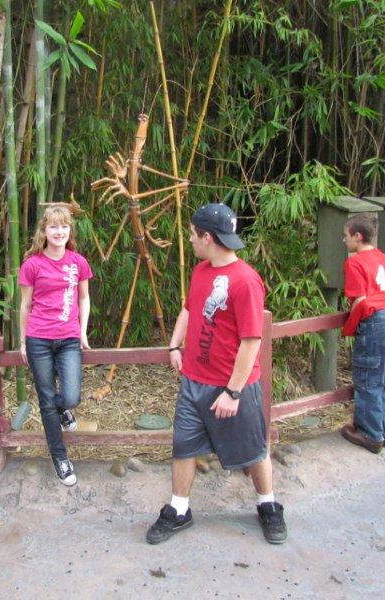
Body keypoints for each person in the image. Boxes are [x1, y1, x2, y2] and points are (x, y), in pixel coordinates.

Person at [146, 203, 287, 545]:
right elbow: (189, 309)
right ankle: (179, 509)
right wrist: (175, 344)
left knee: (254, 449)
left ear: (207, 237)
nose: (190, 240)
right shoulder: (201, 271)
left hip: (232, 386)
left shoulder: (246, 281)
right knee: (183, 446)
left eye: (193, 235)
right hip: (194, 381)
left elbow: (251, 341)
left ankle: (268, 505)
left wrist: (233, 392)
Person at [19, 205, 92, 486]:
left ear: (70, 230)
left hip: (69, 338)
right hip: (38, 338)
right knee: (46, 401)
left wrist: (82, 331)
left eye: (64, 226)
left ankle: (64, 408)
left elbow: (84, 298)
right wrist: (23, 340)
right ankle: (60, 458)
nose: (59, 231)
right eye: (53, 226)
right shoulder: (32, 265)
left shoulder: (78, 262)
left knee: (70, 396)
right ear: (44, 231)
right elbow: (25, 306)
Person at [340, 213, 385, 453]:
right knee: (384, 379)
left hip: (373, 322)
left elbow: (359, 300)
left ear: (358, 236)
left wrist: (349, 327)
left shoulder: (354, 263)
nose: (344, 240)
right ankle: (384, 430)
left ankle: (370, 434)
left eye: (346, 235)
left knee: (368, 379)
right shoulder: (383, 257)